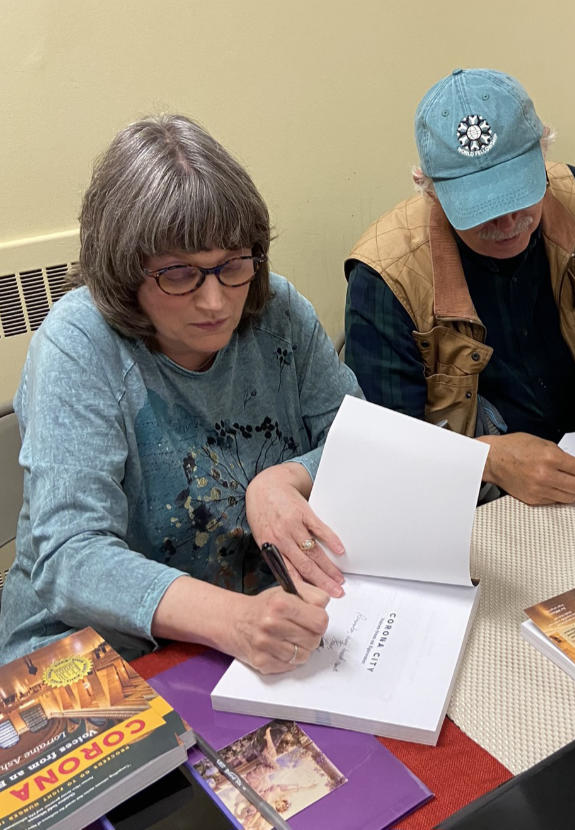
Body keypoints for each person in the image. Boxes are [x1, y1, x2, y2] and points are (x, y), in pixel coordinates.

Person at [0, 115, 361, 671]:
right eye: (178, 274)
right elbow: (70, 557)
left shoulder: (279, 311)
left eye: (232, 265)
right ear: (123, 272)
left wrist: (283, 477)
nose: (215, 302)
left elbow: (362, 441)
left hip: (250, 625)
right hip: (93, 651)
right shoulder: (78, 342)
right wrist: (234, 621)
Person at [344, 68, 575, 507]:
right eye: (480, 208)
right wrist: (487, 459)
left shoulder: (574, 195)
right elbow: (388, 449)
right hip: (481, 501)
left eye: (518, 194)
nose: (506, 223)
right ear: (430, 190)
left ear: (543, 154)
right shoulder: (385, 274)